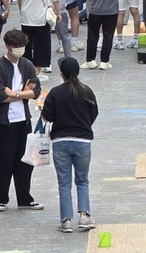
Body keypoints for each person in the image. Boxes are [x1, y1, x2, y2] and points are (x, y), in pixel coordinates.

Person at [41, 57, 99, 233]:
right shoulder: (86, 91)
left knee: (64, 183)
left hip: (61, 142)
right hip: (82, 141)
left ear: (62, 73)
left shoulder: (55, 93)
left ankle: (66, 220)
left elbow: (47, 117)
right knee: (82, 180)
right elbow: (94, 113)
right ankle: (84, 216)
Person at [0, 29, 43, 212]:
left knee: (25, 161)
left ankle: (24, 198)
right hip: (3, 123)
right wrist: (21, 94)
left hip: (23, 121)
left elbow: (36, 91)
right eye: (16, 47)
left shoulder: (27, 64)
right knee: (2, 160)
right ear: (8, 46)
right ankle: (1, 198)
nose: (20, 50)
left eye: (22, 46)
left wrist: (15, 93)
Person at [16, 0, 62, 79]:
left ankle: (26, 69)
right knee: (42, 44)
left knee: (26, 44)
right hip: (42, 16)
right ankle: (37, 70)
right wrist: (58, 13)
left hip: (27, 16)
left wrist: (22, 9)